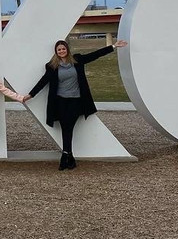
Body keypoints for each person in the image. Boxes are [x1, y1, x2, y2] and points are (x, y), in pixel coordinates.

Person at [22, 39, 127, 170]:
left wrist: (113, 46)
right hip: (60, 101)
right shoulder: (51, 66)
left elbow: (94, 55)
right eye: (59, 49)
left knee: (68, 126)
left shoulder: (77, 60)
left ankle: (66, 156)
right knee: (66, 127)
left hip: (76, 101)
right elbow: (43, 82)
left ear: (67, 49)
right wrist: (30, 95)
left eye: (63, 48)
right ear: (56, 52)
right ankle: (68, 156)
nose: (61, 51)